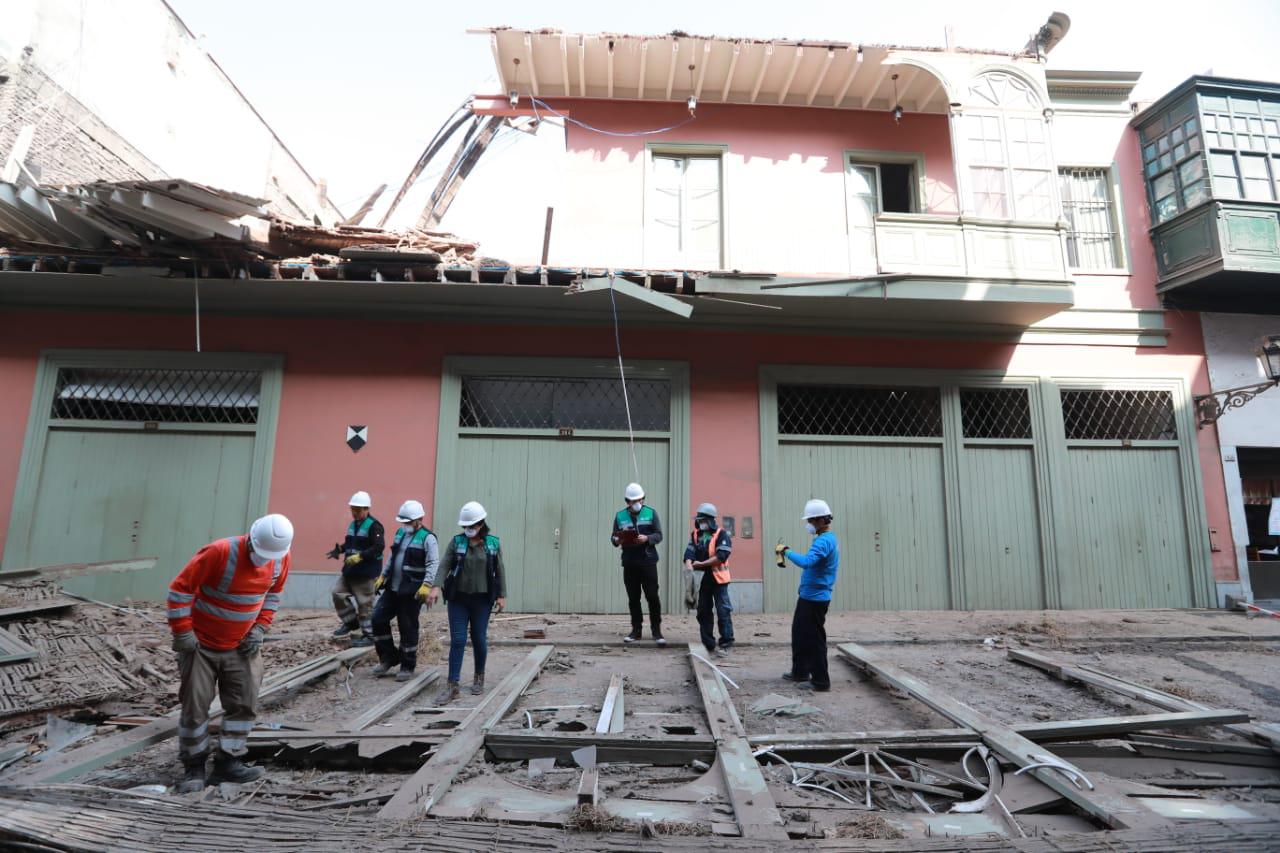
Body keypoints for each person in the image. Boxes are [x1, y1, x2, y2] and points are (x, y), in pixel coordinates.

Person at [166, 513, 293, 793]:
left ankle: (229, 763)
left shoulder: (280, 559)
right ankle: (194, 767)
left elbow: (273, 595)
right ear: (251, 539)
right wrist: (183, 632)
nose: (263, 559)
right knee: (195, 707)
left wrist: (259, 628)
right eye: (260, 553)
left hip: (241, 645)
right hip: (200, 645)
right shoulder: (220, 552)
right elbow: (179, 590)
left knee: (244, 703)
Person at [427, 501, 506, 704]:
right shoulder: (457, 543)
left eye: (472, 526)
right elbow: (444, 564)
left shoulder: (493, 544)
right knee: (458, 640)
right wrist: (435, 587)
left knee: (479, 637)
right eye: (465, 527)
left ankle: (479, 677)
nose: (468, 530)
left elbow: (500, 571)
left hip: (482, 600)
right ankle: (452, 685)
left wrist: (501, 595)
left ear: (481, 524)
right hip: (458, 599)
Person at [775, 499, 839, 692]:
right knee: (800, 634)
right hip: (809, 596)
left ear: (820, 520)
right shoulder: (825, 539)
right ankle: (800, 671)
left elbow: (807, 562)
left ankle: (820, 681)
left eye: (810, 520)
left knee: (814, 639)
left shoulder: (825, 541)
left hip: (816, 599)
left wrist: (787, 551)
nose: (808, 524)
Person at [371, 500, 438, 682]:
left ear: (419, 519)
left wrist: (427, 585)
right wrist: (383, 576)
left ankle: (407, 665)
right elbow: (393, 557)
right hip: (393, 588)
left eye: (409, 521)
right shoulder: (400, 533)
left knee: (407, 627)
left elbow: (433, 563)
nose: (405, 525)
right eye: (404, 521)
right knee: (377, 619)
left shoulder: (428, 538)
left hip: (412, 591)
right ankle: (388, 657)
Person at [328, 490, 385, 647]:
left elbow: (379, 547)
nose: (354, 512)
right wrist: (339, 549)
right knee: (337, 593)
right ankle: (351, 623)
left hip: (365, 573)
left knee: (365, 604)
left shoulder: (375, 526)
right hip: (350, 571)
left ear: (367, 509)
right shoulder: (353, 525)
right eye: (353, 509)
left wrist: (361, 557)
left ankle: (369, 635)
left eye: (358, 510)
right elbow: (351, 544)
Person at [610, 482, 665, 645]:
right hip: (629, 562)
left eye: (638, 500)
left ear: (643, 498)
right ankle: (636, 630)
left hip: (648, 562)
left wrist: (647, 538)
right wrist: (616, 539)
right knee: (633, 598)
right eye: (632, 501)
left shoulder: (651, 513)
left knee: (652, 596)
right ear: (627, 501)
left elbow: (659, 535)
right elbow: (613, 537)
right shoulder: (620, 516)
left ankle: (657, 631)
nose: (635, 504)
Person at [685, 502, 734, 658]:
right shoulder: (696, 534)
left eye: (703, 520)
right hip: (704, 579)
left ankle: (726, 642)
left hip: (719, 579)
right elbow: (689, 552)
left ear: (711, 520)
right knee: (703, 611)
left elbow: (721, 556)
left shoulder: (722, 535)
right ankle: (708, 643)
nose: (700, 523)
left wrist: (701, 564)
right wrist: (689, 565)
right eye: (699, 520)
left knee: (723, 611)